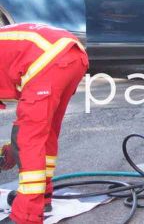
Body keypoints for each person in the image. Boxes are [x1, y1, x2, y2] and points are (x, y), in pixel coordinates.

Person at [0, 23, 89, 224]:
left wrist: (14, 148)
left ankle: (26, 216)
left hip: (48, 59)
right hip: (72, 55)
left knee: (26, 137)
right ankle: (41, 198)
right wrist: (9, 149)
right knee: (46, 131)